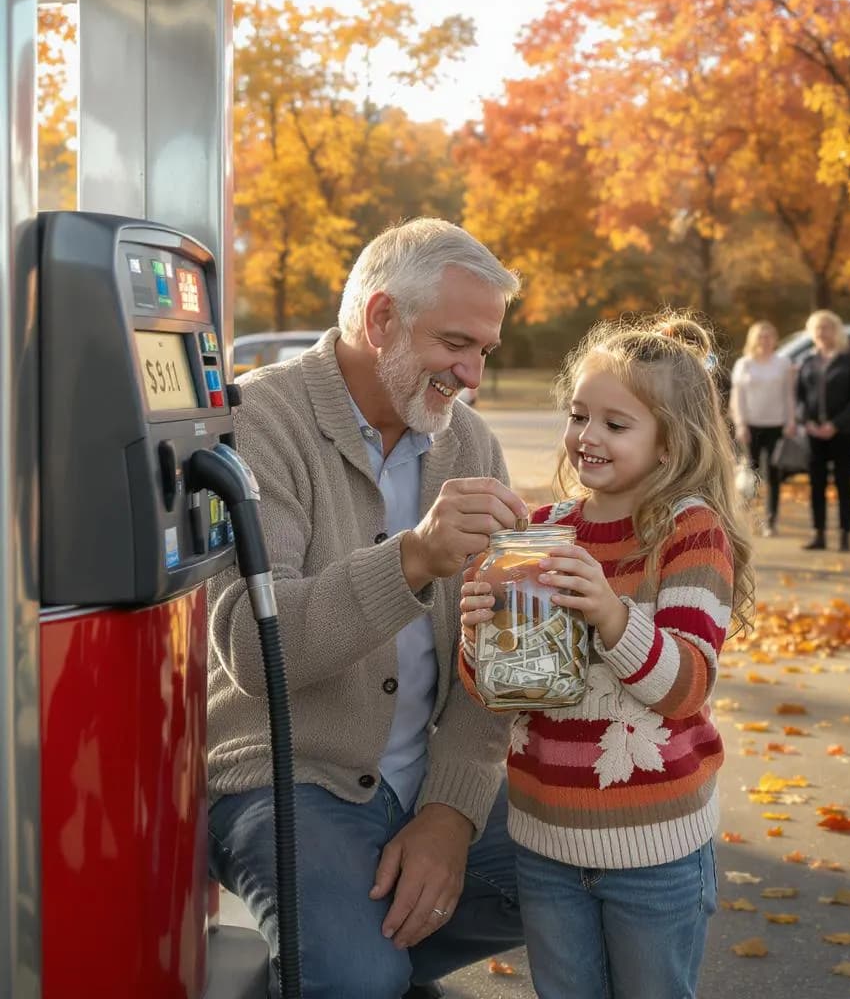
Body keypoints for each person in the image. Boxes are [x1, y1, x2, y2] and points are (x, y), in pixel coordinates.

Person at [207, 220, 527, 998]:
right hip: (288, 774)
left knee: (598, 855)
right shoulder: (255, 421)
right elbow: (255, 651)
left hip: (430, 769)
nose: (473, 374)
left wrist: (450, 813)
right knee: (355, 976)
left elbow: (497, 662)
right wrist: (414, 557)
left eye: (484, 350)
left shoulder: (470, 442)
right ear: (380, 318)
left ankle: (348, 969)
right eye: (457, 342)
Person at [460, 312, 755, 999]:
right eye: (579, 415)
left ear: (667, 444)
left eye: (615, 425)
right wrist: (480, 640)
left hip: (656, 851)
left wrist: (612, 614)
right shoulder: (544, 530)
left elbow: (685, 685)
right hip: (544, 843)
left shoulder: (688, 533)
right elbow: (502, 691)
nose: (587, 437)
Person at [795, 309, 850, 552]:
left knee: (842, 482)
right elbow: (799, 397)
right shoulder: (808, 360)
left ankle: (845, 534)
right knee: (816, 483)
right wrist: (807, 421)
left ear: (836, 331)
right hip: (814, 432)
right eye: (817, 328)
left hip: (844, 431)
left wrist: (835, 424)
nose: (821, 332)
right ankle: (819, 534)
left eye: (826, 327)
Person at [729, 320, 797, 536]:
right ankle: (745, 520)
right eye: (761, 336)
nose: (765, 340)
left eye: (769, 336)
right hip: (750, 427)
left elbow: (789, 394)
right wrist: (740, 424)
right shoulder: (744, 364)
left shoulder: (783, 363)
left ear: (775, 340)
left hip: (777, 426)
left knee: (774, 475)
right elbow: (737, 398)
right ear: (754, 339)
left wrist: (791, 420)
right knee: (750, 476)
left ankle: (771, 521)